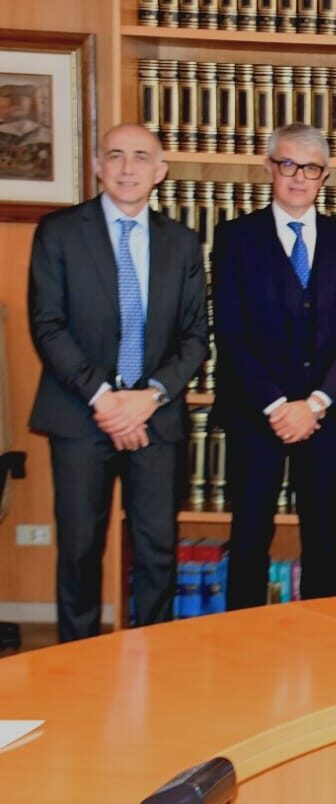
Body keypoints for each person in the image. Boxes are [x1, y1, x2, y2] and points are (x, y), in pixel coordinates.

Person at [28, 123, 207, 640]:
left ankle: (154, 656)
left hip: (156, 419)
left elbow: (195, 336)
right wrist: (106, 399)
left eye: (141, 157)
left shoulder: (182, 242)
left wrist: (148, 398)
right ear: (98, 166)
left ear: (160, 171)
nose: (128, 168)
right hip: (79, 415)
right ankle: (77, 662)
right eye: (116, 155)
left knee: (157, 550)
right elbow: (48, 325)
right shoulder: (59, 232)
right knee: (80, 550)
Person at [210, 123, 336, 609]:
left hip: (325, 416)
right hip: (255, 413)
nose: (299, 177)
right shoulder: (235, 238)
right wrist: (279, 406)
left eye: (311, 168)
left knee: (322, 536)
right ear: (269, 168)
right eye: (288, 165)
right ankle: (244, 635)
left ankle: (323, 638)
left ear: (325, 175)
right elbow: (231, 332)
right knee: (250, 534)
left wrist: (315, 404)